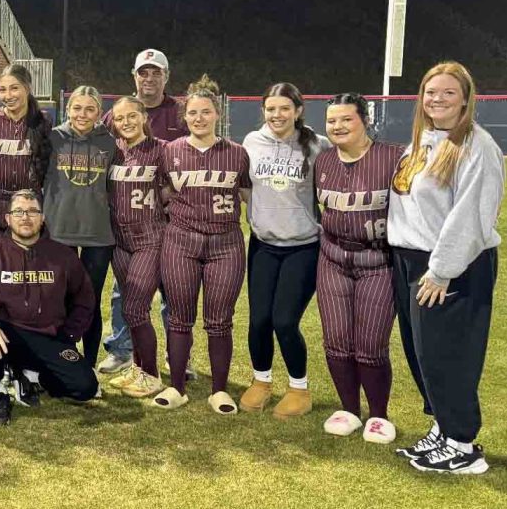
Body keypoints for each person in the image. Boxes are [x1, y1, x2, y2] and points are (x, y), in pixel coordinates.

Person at [388, 61, 503, 474]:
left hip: (448, 265)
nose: (436, 98)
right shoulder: (423, 140)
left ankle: (463, 444)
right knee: (423, 354)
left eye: (448, 92)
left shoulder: (476, 145)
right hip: (410, 259)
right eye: (430, 91)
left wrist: (441, 270)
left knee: (448, 354)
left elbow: (470, 216)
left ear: (466, 99)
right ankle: (443, 426)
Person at [154, 75, 251, 414]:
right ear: (185, 117)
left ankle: (219, 390)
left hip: (225, 243)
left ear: (217, 115)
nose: (198, 118)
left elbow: (248, 196)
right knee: (179, 317)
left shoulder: (238, 154)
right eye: (193, 113)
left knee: (220, 320)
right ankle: (177, 386)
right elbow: (163, 194)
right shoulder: (170, 151)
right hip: (181, 240)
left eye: (205, 112)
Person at [0, 190, 98, 425]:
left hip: (48, 337)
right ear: (8, 219)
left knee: (85, 387)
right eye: (19, 212)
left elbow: (85, 299)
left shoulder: (63, 256)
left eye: (33, 211)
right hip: (7, 336)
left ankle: (30, 375)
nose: (26, 217)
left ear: (43, 217)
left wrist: (69, 335)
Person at [315, 93, 404, 443]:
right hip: (333, 257)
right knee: (336, 340)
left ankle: (378, 415)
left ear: (364, 120)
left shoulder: (394, 157)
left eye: (346, 119)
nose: (337, 126)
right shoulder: (322, 161)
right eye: (332, 121)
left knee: (370, 344)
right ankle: (349, 408)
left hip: (378, 259)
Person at [239, 83, 332, 419]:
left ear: (297, 111)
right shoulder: (251, 142)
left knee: (284, 320)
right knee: (259, 319)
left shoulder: (316, 146)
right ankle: (261, 381)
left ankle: (299, 388)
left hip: (302, 246)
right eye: (271, 109)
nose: (277, 115)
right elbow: (244, 186)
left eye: (284, 109)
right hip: (263, 244)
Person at [99, 48, 186, 379]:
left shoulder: (177, 114)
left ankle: (173, 356)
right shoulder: (114, 116)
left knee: (170, 292)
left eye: (156, 72)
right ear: (134, 75)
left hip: (159, 225)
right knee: (125, 292)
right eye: (143, 72)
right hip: (121, 228)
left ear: (166, 75)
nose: (149, 78)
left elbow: (185, 166)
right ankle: (123, 350)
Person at [42, 85, 122, 370]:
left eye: (90, 109)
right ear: (68, 109)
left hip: (97, 234)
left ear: (100, 113)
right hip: (58, 231)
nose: (82, 114)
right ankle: (62, 360)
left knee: (89, 300)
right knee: (59, 299)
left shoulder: (110, 143)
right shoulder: (53, 138)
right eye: (77, 108)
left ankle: (86, 367)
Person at [103, 96, 167, 398]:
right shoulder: (113, 152)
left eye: (132, 116)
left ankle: (152, 374)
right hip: (120, 240)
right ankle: (139, 369)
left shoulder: (162, 150)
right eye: (119, 118)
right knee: (132, 311)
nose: (126, 122)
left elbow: (176, 190)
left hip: (149, 238)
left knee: (135, 308)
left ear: (144, 117)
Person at [0, 64, 52, 249]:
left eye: (14, 88)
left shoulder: (43, 121)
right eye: (2, 90)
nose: (8, 96)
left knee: (29, 269)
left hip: (29, 207)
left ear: (27, 88)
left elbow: (48, 167)